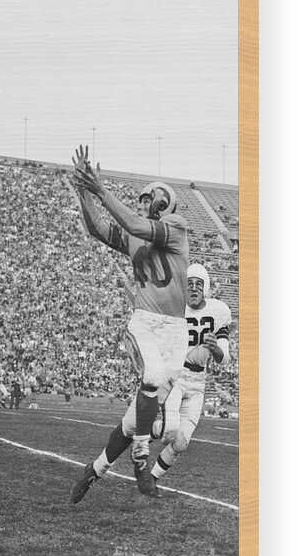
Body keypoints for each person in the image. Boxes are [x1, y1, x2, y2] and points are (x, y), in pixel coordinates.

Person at [70, 145, 189, 499]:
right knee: (151, 378)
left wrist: (100, 190)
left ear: (164, 202)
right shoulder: (139, 233)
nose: (139, 201)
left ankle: (96, 469)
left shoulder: (176, 227)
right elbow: (98, 228)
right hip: (145, 321)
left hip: (175, 332)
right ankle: (140, 458)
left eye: (146, 196)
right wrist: (84, 192)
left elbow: (136, 224)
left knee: (136, 421)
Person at [150, 263, 232, 483]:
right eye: (189, 284)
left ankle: (151, 479)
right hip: (176, 377)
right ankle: (144, 432)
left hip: (198, 383)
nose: (194, 289)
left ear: (205, 288)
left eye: (198, 284)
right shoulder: (175, 308)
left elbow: (225, 359)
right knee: (170, 430)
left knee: (182, 441)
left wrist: (215, 348)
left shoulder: (218, 312)